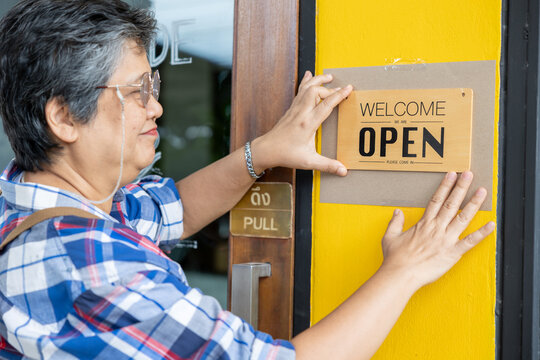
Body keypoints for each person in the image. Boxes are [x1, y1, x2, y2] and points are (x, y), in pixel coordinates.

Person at [0, 1, 495, 359]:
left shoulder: (34, 204)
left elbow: (172, 209)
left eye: (153, 85)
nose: (156, 106)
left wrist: (264, 153)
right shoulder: (96, 268)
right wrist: (404, 271)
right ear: (63, 117)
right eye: (136, 92)